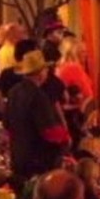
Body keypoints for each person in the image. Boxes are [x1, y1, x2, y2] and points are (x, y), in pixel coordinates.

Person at [6, 51, 71, 186]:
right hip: (37, 162)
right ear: (41, 73)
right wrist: (66, 138)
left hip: (17, 156)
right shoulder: (38, 97)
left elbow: (7, 124)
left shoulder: (13, 92)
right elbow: (50, 132)